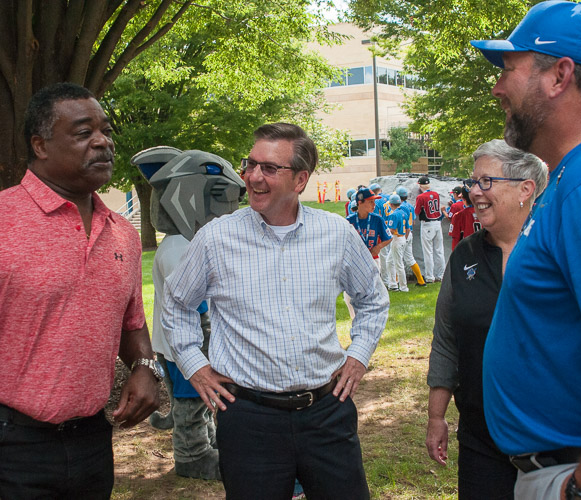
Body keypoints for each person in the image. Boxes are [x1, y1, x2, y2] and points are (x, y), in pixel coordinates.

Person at [161, 123, 389, 499]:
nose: (252, 177)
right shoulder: (217, 238)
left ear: (300, 180)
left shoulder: (336, 233)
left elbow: (373, 299)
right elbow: (176, 303)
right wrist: (195, 368)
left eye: (268, 168)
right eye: (250, 165)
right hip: (249, 418)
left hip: (327, 412)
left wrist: (358, 358)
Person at [0, 82, 160, 499]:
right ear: (40, 145)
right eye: (84, 132)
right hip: (11, 444)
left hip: (92, 442)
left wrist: (145, 366)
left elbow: (131, 322)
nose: (103, 142)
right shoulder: (3, 221)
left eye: (106, 131)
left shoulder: (121, 233)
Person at [470, 2, 581, 499]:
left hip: (573, 474)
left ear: (559, 75)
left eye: (508, 69)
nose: (498, 88)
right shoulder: (572, 175)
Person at [426, 139, 547, 499]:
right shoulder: (465, 255)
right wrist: (436, 416)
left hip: (555, 439)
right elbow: (447, 338)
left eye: (485, 182)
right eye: (472, 182)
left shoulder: (556, 247)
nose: (473, 192)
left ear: (525, 188)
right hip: (481, 436)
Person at [132, 146, 246, 480]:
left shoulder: (184, 243)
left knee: (202, 400)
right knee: (191, 405)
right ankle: (192, 455)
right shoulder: (181, 248)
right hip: (187, 349)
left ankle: (207, 445)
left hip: (182, 346)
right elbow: (197, 309)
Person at [347, 187, 393, 265]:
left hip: (373, 259)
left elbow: (389, 238)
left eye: (374, 201)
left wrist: (378, 247)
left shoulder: (377, 219)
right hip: (355, 260)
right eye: (370, 202)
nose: (374, 205)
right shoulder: (349, 221)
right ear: (360, 202)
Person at [414, 176, 445, 282]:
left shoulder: (421, 197)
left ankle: (429, 277)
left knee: (428, 252)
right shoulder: (435, 194)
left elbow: (416, 211)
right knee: (439, 251)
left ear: (420, 185)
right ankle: (441, 275)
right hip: (437, 223)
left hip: (427, 224)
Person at [397, 186, 427, 287]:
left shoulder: (400, 207)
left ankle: (396, 282)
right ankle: (421, 281)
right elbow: (413, 221)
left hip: (403, 233)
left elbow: (402, 220)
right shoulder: (410, 206)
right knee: (409, 258)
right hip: (409, 233)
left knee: (396, 259)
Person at [385, 194, 410, 292]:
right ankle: (393, 284)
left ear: (391, 204)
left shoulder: (393, 215)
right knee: (389, 261)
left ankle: (403, 287)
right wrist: (405, 239)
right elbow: (408, 229)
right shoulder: (403, 212)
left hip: (397, 238)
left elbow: (391, 230)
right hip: (402, 237)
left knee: (398, 264)